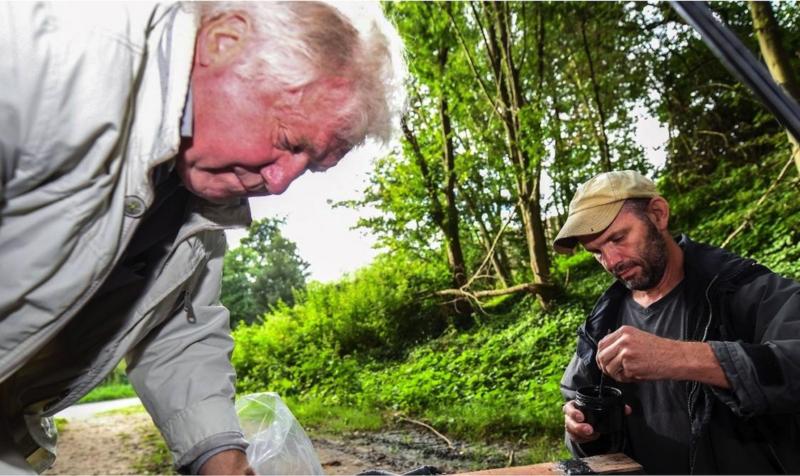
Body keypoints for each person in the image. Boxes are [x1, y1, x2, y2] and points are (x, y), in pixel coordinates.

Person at [0, 2, 405, 474]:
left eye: (310, 166)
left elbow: (179, 328)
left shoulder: (194, 201)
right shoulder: (43, 52)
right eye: (289, 140)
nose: (279, 183)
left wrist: (221, 456)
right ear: (224, 42)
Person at [555, 171, 800, 474]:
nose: (611, 261)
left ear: (658, 214)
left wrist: (682, 357)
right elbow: (579, 418)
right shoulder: (601, 323)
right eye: (596, 252)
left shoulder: (737, 289)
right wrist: (583, 435)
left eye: (618, 238)